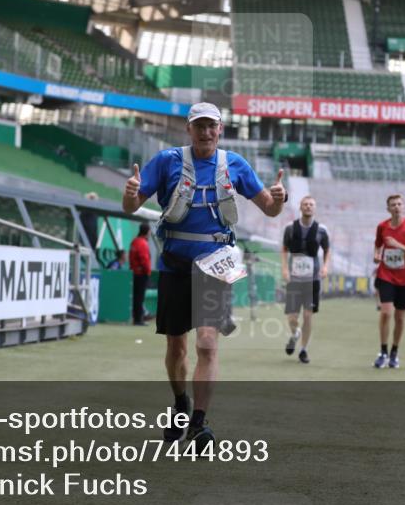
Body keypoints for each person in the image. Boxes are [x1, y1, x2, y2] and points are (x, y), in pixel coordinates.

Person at [122, 102, 285, 449]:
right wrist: (131, 194)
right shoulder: (167, 161)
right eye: (200, 126)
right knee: (176, 347)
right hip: (174, 265)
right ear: (188, 128)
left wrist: (280, 199)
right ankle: (181, 403)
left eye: (212, 126)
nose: (206, 132)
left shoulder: (234, 165)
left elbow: (270, 208)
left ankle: (199, 423)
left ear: (221, 128)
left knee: (207, 343)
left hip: (215, 265)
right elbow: (132, 207)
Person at [372, 194, 405, 369]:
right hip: (385, 274)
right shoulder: (382, 226)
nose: (396, 207)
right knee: (386, 312)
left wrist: (397, 245)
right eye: (393, 204)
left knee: (400, 317)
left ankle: (394, 352)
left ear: (404, 207)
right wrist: (377, 255)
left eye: (399, 204)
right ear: (388, 208)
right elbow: (377, 244)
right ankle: (383, 352)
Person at [281, 195, 330, 364]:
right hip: (294, 279)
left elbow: (327, 249)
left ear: (315, 208)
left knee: (308, 316)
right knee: (292, 317)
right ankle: (295, 334)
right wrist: (285, 268)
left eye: (311, 204)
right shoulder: (290, 228)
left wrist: (325, 266)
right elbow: (284, 248)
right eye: (305, 204)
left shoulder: (321, 230)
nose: (308, 207)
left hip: (312, 280)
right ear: (300, 207)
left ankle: (303, 350)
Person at [129, 223, 152, 326]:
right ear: (147, 232)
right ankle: (138, 319)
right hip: (141, 274)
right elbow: (144, 260)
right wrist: (148, 271)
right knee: (139, 297)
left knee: (136, 297)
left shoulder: (134, 241)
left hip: (134, 272)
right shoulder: (143, 243)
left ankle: (136, 318)